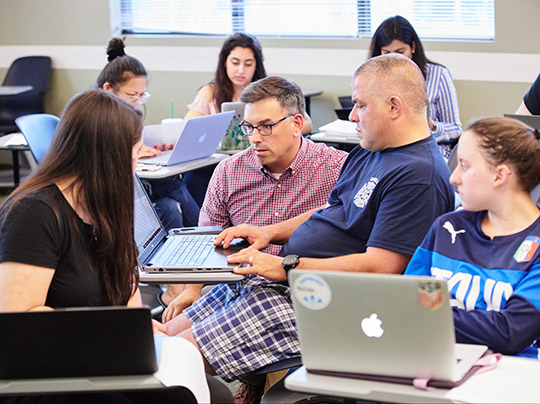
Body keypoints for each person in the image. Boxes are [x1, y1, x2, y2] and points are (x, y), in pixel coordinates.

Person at [164, 55, 455, 392]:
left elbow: (382, 268)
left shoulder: (419, 177)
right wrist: (269, 232)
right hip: (291, 285)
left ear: (394, 106)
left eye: (360, 104)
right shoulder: (373, 149)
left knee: (175, 358)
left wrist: (286, 266)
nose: (353, 115)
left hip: (329, 305)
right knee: (163, 339)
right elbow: (332, 209)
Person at [0, 89, 233, 403]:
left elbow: (125, 291)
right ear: (105, 155)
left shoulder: (105, 206)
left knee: (213, 395)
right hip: (45, 371)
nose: (137, 161)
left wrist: (136, 329)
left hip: (100, 358)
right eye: (133, 151)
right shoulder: (35, 213)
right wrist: (113, 335)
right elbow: (22, 319)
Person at [160, 76, 348, 322]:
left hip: (302, 290)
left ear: (296, 124)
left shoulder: (337, 168)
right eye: (249, 127)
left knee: (184, 342)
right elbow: (206, 238)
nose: (255, 138)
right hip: (238, 287)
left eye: (266, 126)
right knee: (171, 333)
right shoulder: (229, 171)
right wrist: (192, 290)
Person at [405, 117, 540, 357]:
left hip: (509, 379)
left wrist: (430, 315)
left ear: (500, 175)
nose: (453, 177)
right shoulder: (447, 228)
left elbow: (510, 333)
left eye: (465, 166)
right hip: (433, 362)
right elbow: (405, 300)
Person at [98, 37, 200, 230]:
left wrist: (137, 148)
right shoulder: (96, 117)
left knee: (169, 207)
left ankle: (194, 243)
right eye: (131, 95)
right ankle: (208, 233)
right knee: (173, 186)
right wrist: (130, 152)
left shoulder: (125, 114)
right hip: (111, 192)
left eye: (141, 95)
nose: (137, 101)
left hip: (133, 185)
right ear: (108, 89)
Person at [369, 15, 462, 159]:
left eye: (400, 52)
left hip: (428, 151)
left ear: (413, 47)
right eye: (386, 53)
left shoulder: (438, 75)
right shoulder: (373, 77)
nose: (395, 59)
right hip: (388, 152)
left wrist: (433, 126)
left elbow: (456, 129)